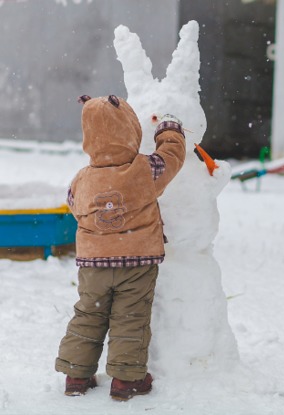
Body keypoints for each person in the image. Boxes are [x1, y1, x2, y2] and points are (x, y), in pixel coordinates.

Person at [54, 94, 185, 401]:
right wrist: (169, 130)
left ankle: (76, 374)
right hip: (137, 261)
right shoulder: (145, 169)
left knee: (89, 313)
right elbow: (172, 157)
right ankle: (127, 380)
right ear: (131, 130)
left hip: (93, 265)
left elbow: (73, 205)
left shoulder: (82, 178)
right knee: (131, 317)